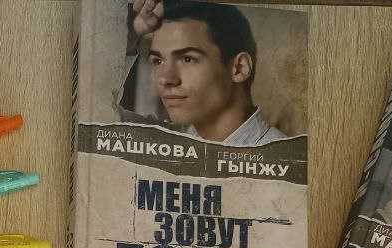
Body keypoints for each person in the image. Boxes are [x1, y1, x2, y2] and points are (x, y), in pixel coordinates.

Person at [121, 0, 286, 145]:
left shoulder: (287, 161)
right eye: (158, 61)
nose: (165, 79)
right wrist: (124, 33)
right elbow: (106, 117)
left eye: (187, 59)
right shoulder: (167, 140)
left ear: (239, 68)